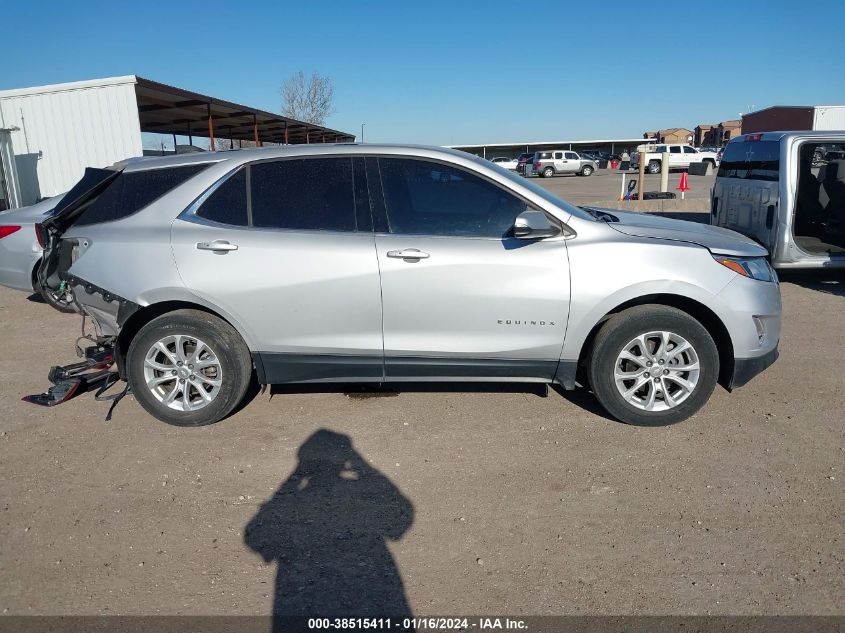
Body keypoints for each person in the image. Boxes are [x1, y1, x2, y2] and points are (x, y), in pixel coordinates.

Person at [245, 429, 414, 627]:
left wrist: (297, 474)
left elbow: (254, 535)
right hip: (369, 591)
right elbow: (401, 517)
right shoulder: (357, 498)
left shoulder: (299, 501)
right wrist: (358, 462)